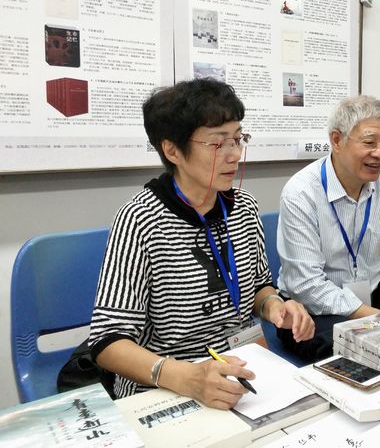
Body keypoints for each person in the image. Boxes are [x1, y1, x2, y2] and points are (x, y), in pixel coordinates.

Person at [89, 79, 314, 408]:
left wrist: (277, 307)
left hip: (244, 370)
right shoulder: (140, 219)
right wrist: (186, 378)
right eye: (217, 144)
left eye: (238, 139)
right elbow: (107, 342)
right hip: (166, 385)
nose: (234, 154)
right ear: (172, 150)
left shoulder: (244, 208)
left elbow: (258, 288)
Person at [276, 95, 380, 361]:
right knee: (363, 354)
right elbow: (307, 285)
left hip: (372, 296)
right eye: (369, 143)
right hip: (313, 312)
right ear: (337, 140)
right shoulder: (301, 193)